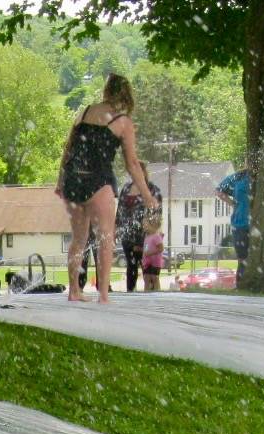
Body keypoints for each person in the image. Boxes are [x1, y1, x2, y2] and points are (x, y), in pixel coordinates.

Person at [57, 74, 155, 302]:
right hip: (98, 179)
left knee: (78, 239)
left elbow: (68, 148)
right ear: (127, 95)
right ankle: (103, 294)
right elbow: (132, 164)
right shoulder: (123, 122)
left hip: (73, 179)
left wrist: (60, 181)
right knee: (105, 238)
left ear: (106, 91)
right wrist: (148, 195)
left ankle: (74, 291)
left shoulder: (83, 112)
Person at [116, 176, 162, 292]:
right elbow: (120, 209)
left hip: (144, 236)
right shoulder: (126, 188)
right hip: (128, 234)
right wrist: (117, 226)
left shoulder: (152, 189)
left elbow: (157, 211)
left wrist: (153, 227)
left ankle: (153, 292)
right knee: (131, 265)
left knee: (149, 272)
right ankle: (131, 290)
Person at [216, 160, 251, 288]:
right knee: (242, 257)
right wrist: (232, 203)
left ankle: (250, 283)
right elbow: (219, 190)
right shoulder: (238, 177)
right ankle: (241, 284)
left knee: (256, 256)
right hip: (240, 222)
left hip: (258, 223)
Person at [141, 215, 165, 291]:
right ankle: (146, 294)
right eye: (143, 225)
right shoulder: (147, 237)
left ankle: (158, 293)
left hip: (155, 262)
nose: (144, 227)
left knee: (155, 278)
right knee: (146, 278)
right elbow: (146, 248)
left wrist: (150, 253)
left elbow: (161, 248)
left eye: (146, 225)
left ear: (153, 226)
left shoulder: (156, 236)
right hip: (147, 262)